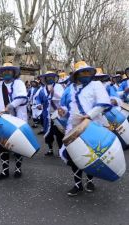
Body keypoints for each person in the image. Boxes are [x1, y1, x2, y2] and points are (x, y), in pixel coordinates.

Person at [59, 61, 111, 196]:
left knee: (91, 155)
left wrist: (89, 116)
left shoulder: (96, 85)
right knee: (74, 155)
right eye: (82, 72)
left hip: (92, 125)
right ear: (76, 74)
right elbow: (65, 106)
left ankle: (90, 181)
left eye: (87, 71)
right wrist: (62, 111)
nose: (85, 74)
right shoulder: (70, 88)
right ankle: (77, 185)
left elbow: (103, 104)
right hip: (74, 126)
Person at [0, 63, 28, 180]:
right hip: (2, 119)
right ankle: (5, 171)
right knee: (2, 145)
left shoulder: (19, 83)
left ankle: (18, 169)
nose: (6, 73)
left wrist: (9, 106)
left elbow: (21, 98)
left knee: (17, 145)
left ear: (14, 72)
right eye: (4, 71)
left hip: (17, 118)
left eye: (9, 71)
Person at [36, 71, 65, 156]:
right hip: (47, 115)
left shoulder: (59, 86)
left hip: (57, 114)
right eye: (48, 77)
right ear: (45, 79)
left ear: (54, 78)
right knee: (48, 133)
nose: (50, 79)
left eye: (51, 77)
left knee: (59, 133)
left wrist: (53, 93)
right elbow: (38, 98)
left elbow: (62, 97)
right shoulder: (42, 89)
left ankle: (61, 150)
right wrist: (38, 104)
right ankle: (50, 149)